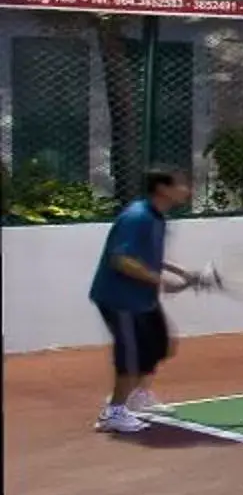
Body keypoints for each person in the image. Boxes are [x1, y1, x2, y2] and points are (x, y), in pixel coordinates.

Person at [90, 168, 194, 434]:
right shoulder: (137, 217)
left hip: (141, 298)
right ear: (162, 188)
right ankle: (113, 413)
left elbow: (146, 254)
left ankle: (137, 397)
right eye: (181, 184)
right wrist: (160, 281)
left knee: (160, 344)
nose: (186, 189)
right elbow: (121, 260)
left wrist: (180, 272)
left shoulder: (157, 217)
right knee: (130, 356)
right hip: (120, 298)